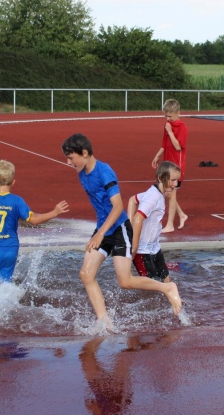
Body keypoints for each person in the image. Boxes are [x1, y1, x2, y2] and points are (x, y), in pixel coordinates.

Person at [61, 133, 182, 328]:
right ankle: (104, 321)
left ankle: (167, 287)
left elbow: (118, 207)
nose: (68, 162)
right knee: (86, 274)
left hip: (119, 230)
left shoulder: (104, 172)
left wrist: (100, 234)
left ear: (84, 153)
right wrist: (100, 232)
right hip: (103, 229)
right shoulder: (82, 173)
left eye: (70, 157)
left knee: (125, 282)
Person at [0, 159, 68, 284]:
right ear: (13, 182)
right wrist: (54, 212)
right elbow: (33, 220)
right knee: (4, 283)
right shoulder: (17, 201)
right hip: (11, 249)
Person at [127, 161, 182, 283]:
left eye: (177, 180)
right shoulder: (153, 197)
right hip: (142, 251)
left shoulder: (155, 193)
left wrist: (129, 226)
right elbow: (138, 218)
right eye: (173, 180)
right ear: (160, 178)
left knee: (166, 280)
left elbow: (132, 200)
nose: (176, 184)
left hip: (154, 247)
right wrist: (134, 246)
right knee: (152, 286)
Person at [151, 99, 189, 232]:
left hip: (176, 166)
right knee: (167, 193)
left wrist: (171, 132)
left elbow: (178, 146)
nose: (168, 119)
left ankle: (170, 225)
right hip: (167, 163)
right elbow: (164, 144)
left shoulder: (182, 127)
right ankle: (182, 215)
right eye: (166, 116)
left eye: (170, 116)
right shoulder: (167, 125)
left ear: (178, 113)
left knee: (170, 194)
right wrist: (157, 156)